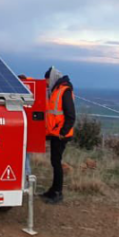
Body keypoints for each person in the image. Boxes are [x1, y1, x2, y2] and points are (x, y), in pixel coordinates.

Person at [43, 66, 75, 204]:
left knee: (56, 163)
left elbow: (71, 115)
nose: (46, 84)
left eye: (47, 81)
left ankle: (57, 193)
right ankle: (53, 190)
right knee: (54, 162)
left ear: (52, 78)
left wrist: (62, 132)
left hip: (61, 134)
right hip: (55, 133)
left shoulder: (64, 90)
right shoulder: (56, 90)